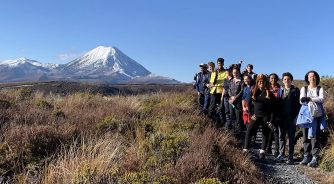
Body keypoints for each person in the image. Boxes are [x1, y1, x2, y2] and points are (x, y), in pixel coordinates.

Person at [243, 74, 275, 159]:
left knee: (265, 133)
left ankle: (262, 151)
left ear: (265, 83)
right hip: (256, 116)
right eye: (259, 81)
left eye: (263, 81)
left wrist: (271, 121)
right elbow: (249, 104)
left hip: (265, 117)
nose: (261, 83)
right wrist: (251, 114)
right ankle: (246, 149)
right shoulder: (253, 91)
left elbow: (273, 109)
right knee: (249, 131)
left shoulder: (269, 94)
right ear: (257, 82)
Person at [299, 70, 325, 167]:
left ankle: (315, 157)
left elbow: (321, 99)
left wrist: (309, 98)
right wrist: (314, 98)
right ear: (307, 78)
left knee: (314, 136)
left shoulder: (319, 88)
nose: (312, 78)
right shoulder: (304, 88)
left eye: (314, 76)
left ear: (317, 78)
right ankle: (306, 155)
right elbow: (301, 101)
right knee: (305, 136)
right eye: (310, 76)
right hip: (305, 115)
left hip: (316, 114)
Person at [276, 72, 300, 164]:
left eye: (288, 79)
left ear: (291, 80)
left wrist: (296, 117)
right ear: (282, 81)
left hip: (291, 117)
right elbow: (278, 104)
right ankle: (281, 154)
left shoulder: (295, 90)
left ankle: (290, 156)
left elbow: (298, 105)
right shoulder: (280, 90)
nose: (286, 81)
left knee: (291, 137)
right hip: (282, 118)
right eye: (285, 79)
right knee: (281, 136)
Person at [207, 58, 227, 125]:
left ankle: (222, 123)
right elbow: (211, 81)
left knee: (221, 109)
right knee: (211, 109)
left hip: (220, 92)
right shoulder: (214, 72)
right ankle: (212, 122)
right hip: (213, 92)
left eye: (221, 64)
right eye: (218, 64)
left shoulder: (225, 72)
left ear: (223, 64)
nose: (219, 65)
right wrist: (209, 85)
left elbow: (226, 82)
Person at [265, 73, 280, 157]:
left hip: (277, 111)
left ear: (277, 79)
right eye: (271, 78)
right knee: (269, 130)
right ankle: (269, 148)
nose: (273, 80)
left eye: (274, 78)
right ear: (269, 79)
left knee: (276, 131)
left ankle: (277, 150)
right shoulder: (267, 88)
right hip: (268, 111)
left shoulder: (280, 88)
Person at [228, 65, 244, 135]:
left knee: (238, 116)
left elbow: (242, 91)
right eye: (234, 72)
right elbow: (228, 89)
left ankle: (239, 131)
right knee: (232, 115)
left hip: (238, 102)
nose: (235, 74)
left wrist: (235, 97)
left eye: (236, 72)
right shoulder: (231, 80)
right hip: (231, 101)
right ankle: (233, 131)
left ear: (239, 72)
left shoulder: (241, 81)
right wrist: (231, 97)